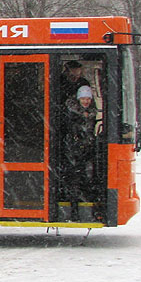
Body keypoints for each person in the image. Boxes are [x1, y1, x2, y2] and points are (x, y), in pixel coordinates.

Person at [61, 85, 99, 218]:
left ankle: (82, 206)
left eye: (88, 98)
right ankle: (74, 210)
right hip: (74, 151)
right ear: (78, 99)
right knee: (75, 180)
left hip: (85, 150)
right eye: (83, 98)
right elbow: (72, 131)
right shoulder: (72, 114)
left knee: (86, 177)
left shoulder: (91, 113)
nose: (86, 101)